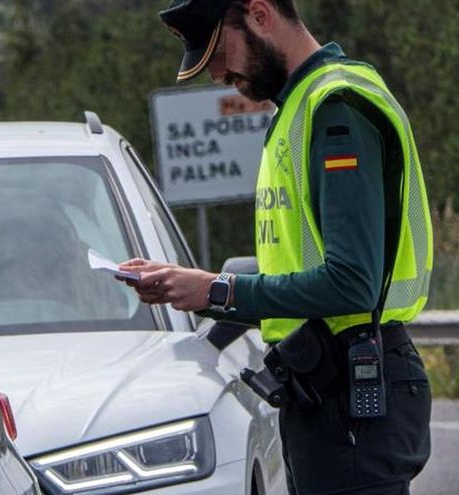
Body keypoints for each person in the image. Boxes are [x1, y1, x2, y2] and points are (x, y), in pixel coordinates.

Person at [120, 1, 433, 493]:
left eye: (220, 50)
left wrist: (217, 291)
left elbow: (351, 282)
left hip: (354, 392)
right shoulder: (300, 109)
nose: (220, 73)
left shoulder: (336, 108)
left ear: (260, 14)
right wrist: (196, 285)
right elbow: (298, 267)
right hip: (326, 391)